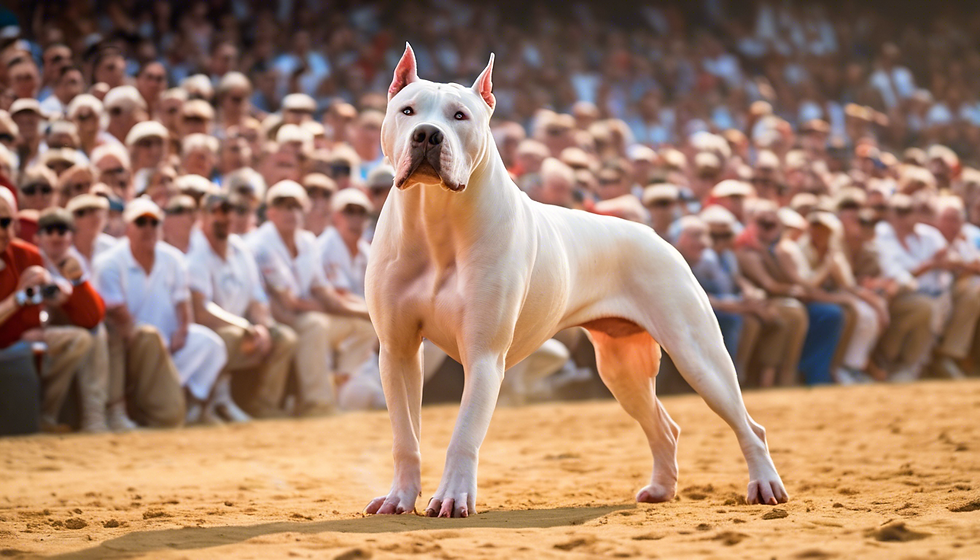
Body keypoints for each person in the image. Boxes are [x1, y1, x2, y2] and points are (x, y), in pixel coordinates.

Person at [93, 198, 227, 425]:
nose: (149, 229)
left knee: (211, 344)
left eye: (154, 223)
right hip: (132, 344)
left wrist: (182, 331)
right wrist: (156, 344)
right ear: (127, 228)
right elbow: (121, 319)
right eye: (141, 222)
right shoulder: (109, 263)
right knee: (149, 337)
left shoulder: (173, 258)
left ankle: (192, 404)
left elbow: (182, 304)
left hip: (169, 342)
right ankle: (163, 405)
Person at [246, 180, 376, 415]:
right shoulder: (262, 245)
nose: (291, 212)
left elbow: (322, 289)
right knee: (315, 325)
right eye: (284, 206)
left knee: (366, 326)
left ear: (304, 211)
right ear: (270, 212)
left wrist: (364, 313)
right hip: (271, 318)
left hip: (301, 314)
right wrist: (349, 309)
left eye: (296, 206)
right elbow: (290, 302)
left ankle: (341, 386)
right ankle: (317, 404)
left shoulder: (306, 241)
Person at [187, 193, 297, 420]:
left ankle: (263, 405)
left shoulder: (240, 249)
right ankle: (213, 404)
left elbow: (256, 298)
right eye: (215, 211)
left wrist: (263, 326)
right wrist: (246, 326)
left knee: (283, 338)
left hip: (244, 328)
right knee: (227, 338)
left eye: (227, 211)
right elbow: (201, 311)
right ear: (202, 216)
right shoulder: (195, 253)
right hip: (212, 332)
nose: (223, 217)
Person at [0, 188, 100, 431]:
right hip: (11, 346)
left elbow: (92, 317)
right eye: (0, 223)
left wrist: (72, 285)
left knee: (86, 338)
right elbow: (22, 302)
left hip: (20, 346)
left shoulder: (28, 256)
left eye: (8, 223)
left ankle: (57, 415)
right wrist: (19, 299)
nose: (5, 232)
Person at [34, 207, 112, 431]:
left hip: (57, 330)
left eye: (62, 230)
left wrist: (76, 284)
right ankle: (45, 415)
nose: (56, 236)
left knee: (96, 333)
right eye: (49, 230)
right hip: (31, 329)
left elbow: (93, 315)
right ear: (38, 236)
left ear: (71, 236)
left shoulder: (74, 261)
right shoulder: (31, 258)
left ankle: (94, 417)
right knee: (80, 338)